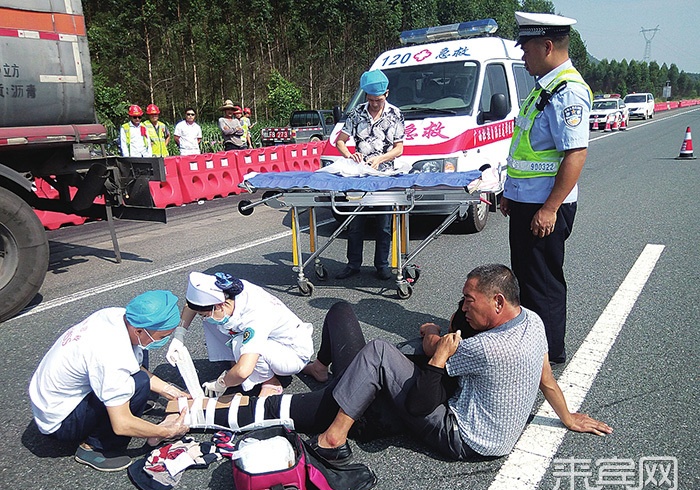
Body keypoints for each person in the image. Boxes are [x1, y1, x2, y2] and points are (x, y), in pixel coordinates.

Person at [203, 265, 612, 465]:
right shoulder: (534, 321)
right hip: (484, 432)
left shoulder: (486, 349)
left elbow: (420, 402)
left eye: (470, 301)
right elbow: (546, 378)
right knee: (350, 328)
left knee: (374, 349)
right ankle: (324, 374)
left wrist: (436, 345)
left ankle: (330, 437)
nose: (464, 307)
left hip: (460, 436)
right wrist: (567, 416)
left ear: (498, 303)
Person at [500, 12, 593, 365]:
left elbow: (575, 154)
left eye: (526, 49)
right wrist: (513, 192)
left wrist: (550, 208)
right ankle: (531, 346)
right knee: (525, 278)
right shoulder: (545, 88)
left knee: (543, 284)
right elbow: (528, 149)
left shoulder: (567, 92)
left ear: (547, 46)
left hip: (546, 207)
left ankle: (549, 353)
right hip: (529, 202)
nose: (523, 56)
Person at [28, 291, 190, 472]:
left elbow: (133, 362)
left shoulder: (118, 316)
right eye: (162, 337)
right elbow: (121, 424)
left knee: (141, 350)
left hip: (49, 398)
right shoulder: (112, 355)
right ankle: (95, 447)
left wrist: (172, 392)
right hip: (59, 422)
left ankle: (131, 400)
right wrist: (166, 431)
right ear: (138, 330)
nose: (164, 341)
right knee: (140, 382)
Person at [166, 272, 314, 397]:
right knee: (213, 321)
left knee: (239, 343)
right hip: (277, 342)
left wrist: (221, 383)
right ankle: (235, 363)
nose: (203, 317)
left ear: (220, 305)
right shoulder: (224, 291)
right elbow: (192, 305)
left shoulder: (256, 315)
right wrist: (179, 335)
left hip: (292, 352)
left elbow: (243, 371)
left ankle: (269, 381)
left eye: (204, 314)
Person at [334, 69, 405, 281]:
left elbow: (399, 148)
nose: (375, 104)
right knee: (355, 223)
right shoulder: (356, 114)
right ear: (366, 97)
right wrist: (350, 154)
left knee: (383, 224)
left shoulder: (395, 115)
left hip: (383, 175)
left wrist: (380, 159)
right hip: (360, 176)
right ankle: (353, 263)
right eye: (372, 100)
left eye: (379, 100)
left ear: (387, 94)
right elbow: (339, 141)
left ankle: (382, 265)